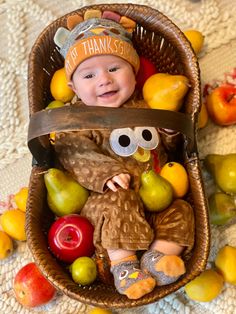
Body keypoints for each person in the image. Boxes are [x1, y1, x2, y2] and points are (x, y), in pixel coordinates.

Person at [53, 10, 194, 300]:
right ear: (73, 88)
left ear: (134, 70)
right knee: (119, 201)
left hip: (157, 194)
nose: (104, 80)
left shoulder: (146, 105)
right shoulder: (79, 118)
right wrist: (106, 174)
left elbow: (168, 151)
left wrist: (168, 132)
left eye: (115, 69)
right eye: (89, 75)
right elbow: (72, 150)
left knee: (182, 210)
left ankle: (157, 258)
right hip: (106, 205)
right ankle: (124, 266)